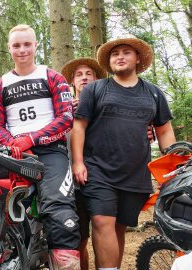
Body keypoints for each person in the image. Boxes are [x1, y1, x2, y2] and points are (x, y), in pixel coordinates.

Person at [71, 35, 176, 270]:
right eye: (115, 54)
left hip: (136, 172)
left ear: (138, 58)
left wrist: (172, 171)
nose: (120, 57)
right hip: (98, 169)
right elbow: (79, 126)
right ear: (109, 62)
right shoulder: (96, 89)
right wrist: (79, 162)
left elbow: (165, 131)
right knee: (101, 221)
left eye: (126, 52)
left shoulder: (154, 93)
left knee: (118, 226)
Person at [0, 24, 80, 269]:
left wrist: (32, 139)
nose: (22, 50)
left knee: (61, 212)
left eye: (27, 44)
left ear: (36, 45)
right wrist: (12, 143)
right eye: (16, 45)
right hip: (11, 152)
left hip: (50, 151)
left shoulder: (53, 77)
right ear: (9, 48)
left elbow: (66, 118)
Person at [61, 57, 107, 270]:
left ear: (96, 78)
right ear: (72, 82)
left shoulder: (106, 106)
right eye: (79, 75)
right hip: (72, 182)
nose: (84, 78)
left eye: (89, 74)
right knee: (79, 239)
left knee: (103, 234)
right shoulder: (62, 110)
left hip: (101, 178)